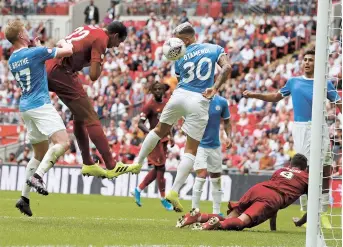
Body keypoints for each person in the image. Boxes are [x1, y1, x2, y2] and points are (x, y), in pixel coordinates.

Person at [133, 22, 231, 212]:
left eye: (178, 39)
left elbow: (180, 80)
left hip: (179, 95)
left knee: (159, 130)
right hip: (200, 98)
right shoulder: (214, 49)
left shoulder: (180, 56)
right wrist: (215, 88)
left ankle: (137, 163)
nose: (176, 42)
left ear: (186, 39)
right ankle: (174, 191)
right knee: (190, 150)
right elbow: (227, 68)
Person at [243, 49, 342, 228]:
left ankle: (323, 212)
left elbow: (339, 102)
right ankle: (307, 213)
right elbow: (275, 97)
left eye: (311, 60)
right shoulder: (293, 82)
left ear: (317, 63)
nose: (306, 62)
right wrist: (254, 94)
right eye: (304, 59)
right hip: (301, 129)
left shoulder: (324, 83)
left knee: (326, 170)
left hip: (320, 126)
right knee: (304, 172)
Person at [46, 21, 141, 180]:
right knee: (91, 115)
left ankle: (88, 162)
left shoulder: (90, 28)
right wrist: (100, 61)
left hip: (52, 66)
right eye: (119, 42)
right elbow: (94, 75)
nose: (117, 46)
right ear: (115, 35)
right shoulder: (102, 39)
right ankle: (112, 165)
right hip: (61, 70)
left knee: (80, 115)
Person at [5, 20, 73, 216]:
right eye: (25, 31)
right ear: (20, 36)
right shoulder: (36, 52)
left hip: (26, 108)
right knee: (63, 142)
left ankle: (24, 198)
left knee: (39, 154)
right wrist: (62, 42)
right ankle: (38, 176)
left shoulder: (12, 60)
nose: (28, 33)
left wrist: (35, 47)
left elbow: (30, 62)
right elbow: (67, 51)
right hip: (40, 105)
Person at [177, 153, 308, 231]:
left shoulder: (281, 171)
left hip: (258, 188)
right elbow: (314, 207)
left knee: (231, 218)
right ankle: (217, 224)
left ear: (290, 164)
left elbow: (274, 210)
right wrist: (300, 222)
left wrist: (273, 228)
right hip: (272, 197)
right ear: (305, 168)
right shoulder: (306, 177)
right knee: (242, 221)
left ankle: (199, 217)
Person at [132, 82, 173, 211]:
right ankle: (162, 198)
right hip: (156, 140)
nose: (158, 91)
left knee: (158, 169)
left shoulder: (167, 103)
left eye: (160, 89)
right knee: (161, 168)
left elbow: (168, 121)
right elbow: (140, 124)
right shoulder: (149, 105)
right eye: (155, 89)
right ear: (152, 91)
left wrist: (170, 136)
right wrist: (151, 134)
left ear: (163, 90)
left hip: (164, 139)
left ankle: (138, 190)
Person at [192, 95, 232, 214]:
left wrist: (229, 137)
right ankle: (194, 210)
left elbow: (227, 121)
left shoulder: (222, 102)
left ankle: (216, 212)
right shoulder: (195, 100)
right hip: (199, 145)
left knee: (216, 178)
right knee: (202, 175)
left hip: (215, 146)